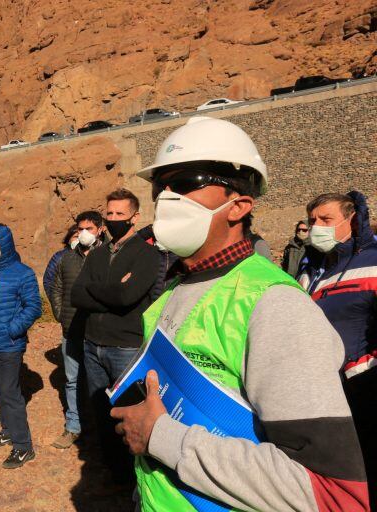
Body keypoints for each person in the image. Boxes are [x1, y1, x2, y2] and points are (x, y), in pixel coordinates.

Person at [112, 116, 367, 511]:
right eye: (160, 186)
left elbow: (331, 493)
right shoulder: (175, 290)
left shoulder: (276, 306)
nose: (165, 198)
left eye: (184, 184)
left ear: (240, 206)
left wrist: (160, 437)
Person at [70, 190, 160, 479]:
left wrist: (98, 289)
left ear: (135, 217)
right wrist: (112, 290)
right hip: (92, 343)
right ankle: (114, 469)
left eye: (120, 214)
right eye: (110, 214)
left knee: (130, 411)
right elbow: (76, 294)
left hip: (125, 347)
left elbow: (127, 296)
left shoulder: (147, 254)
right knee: (101, 411)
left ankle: (136, 473)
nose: (113, 219)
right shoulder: (96, 255)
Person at [298, 191, 377, 509]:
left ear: (352, 220)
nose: (317, 226)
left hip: (365, 390)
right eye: (313, 220)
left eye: (326, 220)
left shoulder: (373, 260)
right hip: (319, 396)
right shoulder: (310, 270)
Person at [0, 223, 42, 468]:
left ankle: (23, 446)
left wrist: (12, 329)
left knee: (11, 394)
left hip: (9, 344)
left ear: (7, 244)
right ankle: (7, 430)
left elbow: (33, 307)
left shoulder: (23, 273)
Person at [47, 212, 105, 449]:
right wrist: (61, 314)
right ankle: (73, 426)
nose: (83, 233)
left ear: (100, 229)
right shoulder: (67, 259)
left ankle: (103, 431)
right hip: (71, 329)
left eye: (89, 228)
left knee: (100, 381)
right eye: (80, 228)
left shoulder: (108, 256)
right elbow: (56, 287)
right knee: (72, 380)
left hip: (99, 331)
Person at [43, 225, 79, 298]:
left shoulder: (92, 255)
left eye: (81, 237)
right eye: (76, 237)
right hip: (65, 304)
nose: (79, 240)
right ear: (68, 240)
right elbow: (48, 280)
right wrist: (56, 304)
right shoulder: (59, 257)